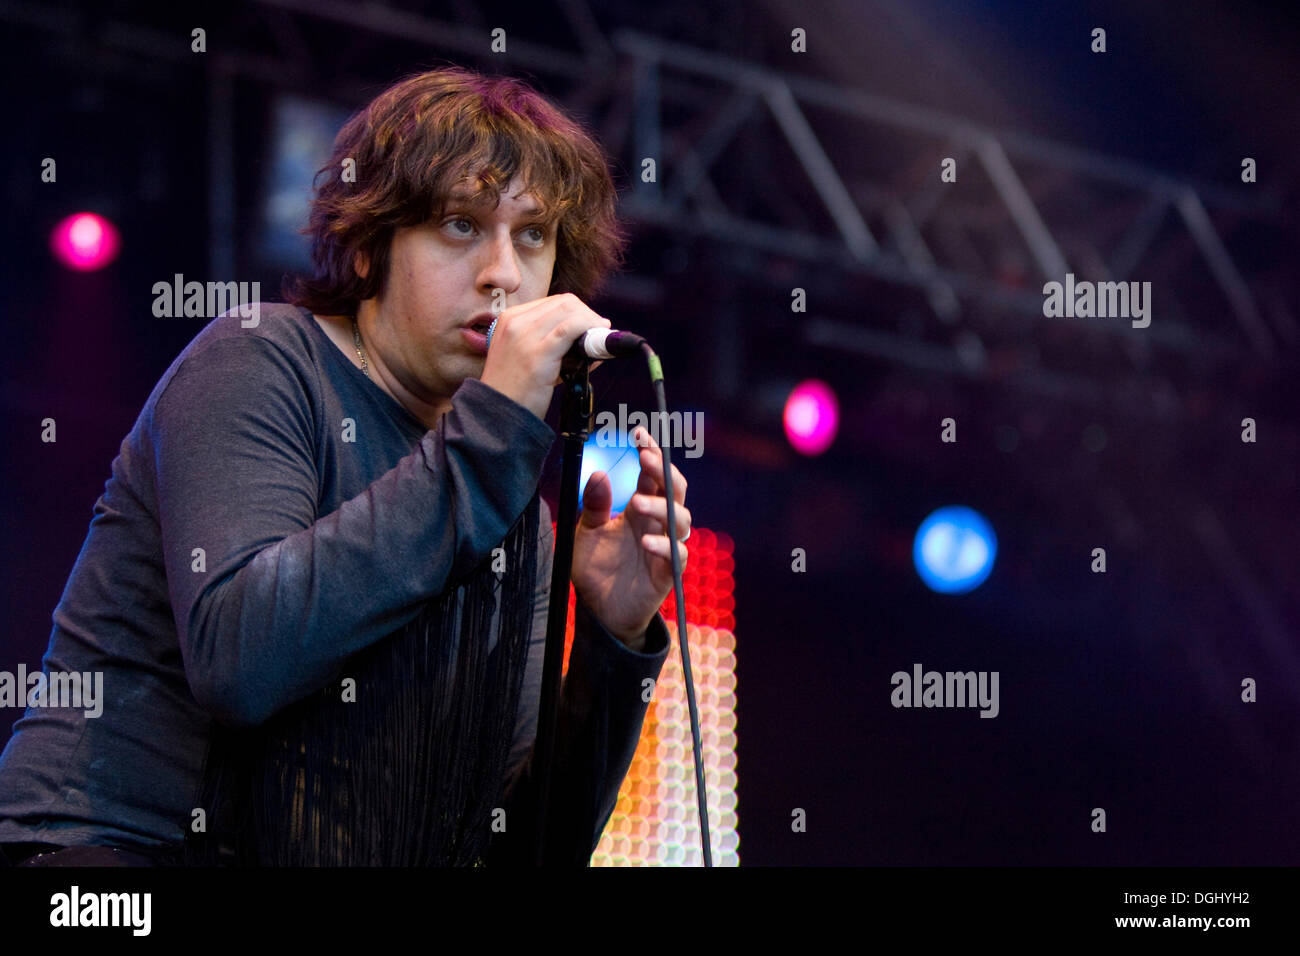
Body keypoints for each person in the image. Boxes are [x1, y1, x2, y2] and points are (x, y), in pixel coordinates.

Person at [0, 65, 691, 867]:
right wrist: (494, 432)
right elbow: (242, 663)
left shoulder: (513, 508)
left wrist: (614, 639)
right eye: (462, 225)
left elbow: (517, 850)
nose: (504, 273)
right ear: (368, 248)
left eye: (531, 235)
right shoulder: (260, 360)